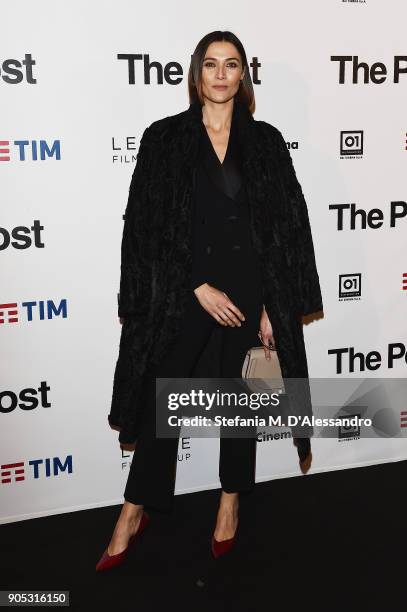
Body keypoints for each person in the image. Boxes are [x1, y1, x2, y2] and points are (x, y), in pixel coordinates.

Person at [96, 30, 323, 572]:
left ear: (244, 76)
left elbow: (288, 228)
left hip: (248, 292)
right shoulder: (165, 140)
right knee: (162, 402)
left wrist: (274, 304)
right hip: (184, 292)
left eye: (233, 64)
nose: (221, 74)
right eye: (212, 64)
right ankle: (133, 511)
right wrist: (196, 284)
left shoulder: (266, 142)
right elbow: (146, 227)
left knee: (237, 402)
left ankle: (229, 503)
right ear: (196, 73)